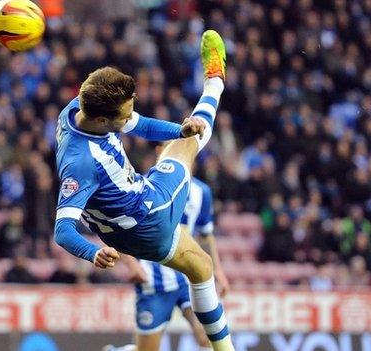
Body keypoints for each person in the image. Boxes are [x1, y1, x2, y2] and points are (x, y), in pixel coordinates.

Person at [54, 30, 234, 350]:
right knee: (192, 142)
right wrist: (92, 253)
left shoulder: (77, 109)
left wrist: (177, 128)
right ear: (101, 119)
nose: (129, 116)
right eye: (123, 116)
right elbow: (63, 230)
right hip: (149, 214)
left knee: (201, 267)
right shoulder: (80, 163)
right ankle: (216, 79)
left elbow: (142, 125)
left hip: (127, 229)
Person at [105, 178, 230, 351]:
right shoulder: (142, 184)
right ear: (159, 150)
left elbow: (206, 235)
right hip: (154, 282)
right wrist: (132, 265)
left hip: (188, 276)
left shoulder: (202, 191)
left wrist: (218, 271)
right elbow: (119, 228)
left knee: (206, 335)